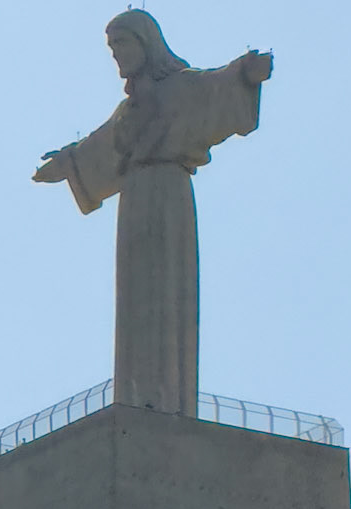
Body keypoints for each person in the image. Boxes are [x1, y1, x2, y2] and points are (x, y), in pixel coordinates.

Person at [34, 11, 273, 415]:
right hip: (135, 201)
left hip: (168, 193)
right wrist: (66, 163)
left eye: (122, 45)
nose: (117, 57)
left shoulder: (181, 88)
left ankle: (167, 403)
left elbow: (220, 84)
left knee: (168, 293)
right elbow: (101, 145)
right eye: (112, 49)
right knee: (135, 294)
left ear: (146, 43)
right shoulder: (129, 109)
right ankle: (139, 399)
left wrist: (247, 73)